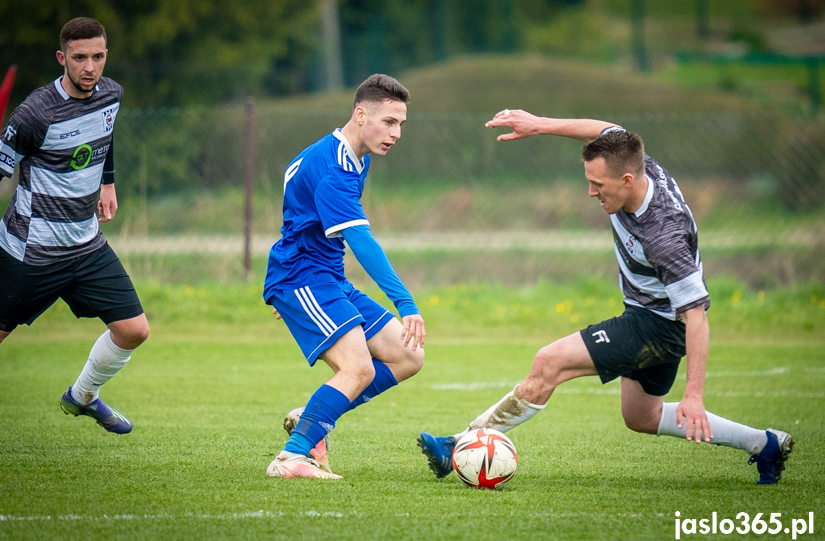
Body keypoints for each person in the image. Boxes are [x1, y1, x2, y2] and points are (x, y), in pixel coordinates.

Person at [417, 110, 793, 485]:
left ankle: (457, 445)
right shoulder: (640, 165)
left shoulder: (663, 236)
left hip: (658, 326)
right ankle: (764, 444)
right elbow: (607, 131)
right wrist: (540, 125)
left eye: (598, 184)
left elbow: (696, 315)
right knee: (641, 418)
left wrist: (694, 395)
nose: (591, 192)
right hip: (647, 314)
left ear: (628, 180)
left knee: (549, 363)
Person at [0, 17, 149, 434]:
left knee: (134, 330)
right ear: (62, 58)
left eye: (98, 57)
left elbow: (105, 133)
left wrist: (108, 181)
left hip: (86, 245)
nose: (90, 67)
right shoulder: (34, 113)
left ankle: (81, 397)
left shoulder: (111, 94)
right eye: (80, 58)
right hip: (32, 250)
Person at [264, 74, 425, 479]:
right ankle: (293, 457)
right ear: (360, 114)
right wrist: (406, 304)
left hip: (322, 278)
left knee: (408, 355)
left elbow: (301, 219)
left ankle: (317, 415)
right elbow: (362, 242)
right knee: (360, 368)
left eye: (401, 124)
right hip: (303, 277)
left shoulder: (351, 155)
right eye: (389, 122)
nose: (397, 133)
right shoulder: (335, 169)